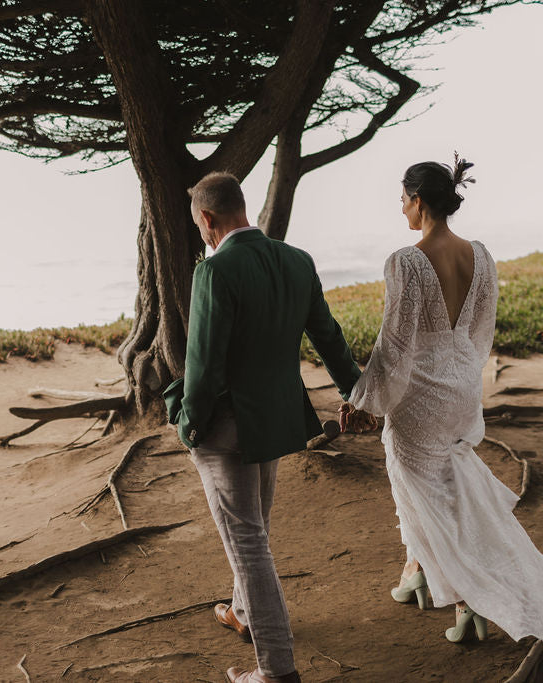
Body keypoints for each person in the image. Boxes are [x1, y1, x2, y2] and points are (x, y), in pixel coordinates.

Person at [340, 156, 543, 646]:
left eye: (403, 197)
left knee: (429, 498)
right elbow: (479, 331)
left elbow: (395, 343)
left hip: (419, 395)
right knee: (429, 490)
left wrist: (365, 400)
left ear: (419, 201)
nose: (400, 207)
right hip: (459, 383)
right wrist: (462, 378)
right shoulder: (482, 255)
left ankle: (468, 604)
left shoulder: (406, 260)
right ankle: (415, 575)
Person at [163, 172, 362, 683]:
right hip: (273, 418)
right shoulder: (297, 260)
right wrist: (358, 393)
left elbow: (202, 365)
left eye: (199, 225)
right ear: (241, 207)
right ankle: (245, 614)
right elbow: (329, 337)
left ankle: (276, 671)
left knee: (248, 542)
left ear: (206, 219)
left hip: (225, 429)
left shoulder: (214, 271)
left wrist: (189, 426)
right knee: (255, 528)